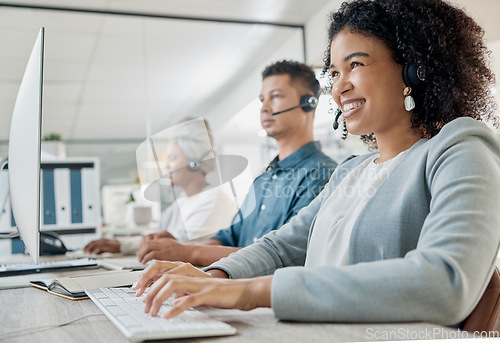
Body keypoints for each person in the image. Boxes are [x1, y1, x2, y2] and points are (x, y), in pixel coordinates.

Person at [131, 0, 500, 328]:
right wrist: (214, 276)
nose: (339, 87)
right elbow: (282, 247)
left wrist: (254, 292)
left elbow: (445, 282)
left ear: (413, 70)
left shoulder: (459, 146)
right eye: (335, 73)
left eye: (355, 64)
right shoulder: (350, 171)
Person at [134, 60, 337, 265]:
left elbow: (287, 256)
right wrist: (181, 247)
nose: (264, 108)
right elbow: (229, 236)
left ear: (308, 103)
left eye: (275, 97)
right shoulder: (263, 179)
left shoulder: (322, 174)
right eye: (262, 100)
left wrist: (190, 252)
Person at [84, 119, 238, 254]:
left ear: (194, 163)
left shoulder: (213, 199)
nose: (166, 166)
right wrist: (119, 243)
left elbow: (180, 246)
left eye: (172, 158)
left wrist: (120, 245)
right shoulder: (183, 200)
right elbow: (155, 235)